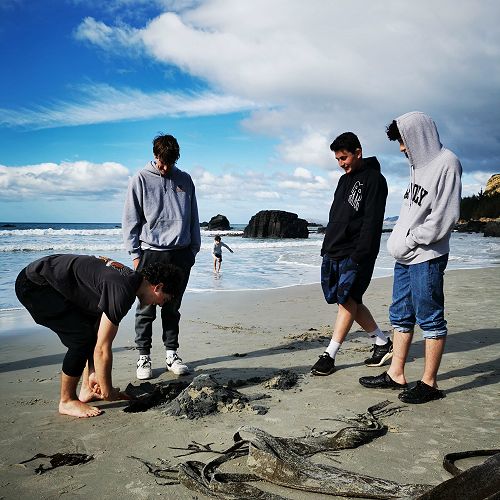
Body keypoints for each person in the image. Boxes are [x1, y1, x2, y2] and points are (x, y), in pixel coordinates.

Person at [359, 111, 462, 404]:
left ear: (418, 135)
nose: (402, 148)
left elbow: (446, 217)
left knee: (430, 319)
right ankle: (396, 374)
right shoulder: (416, 166)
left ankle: (429, 383)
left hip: (427, 257)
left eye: (403, 141)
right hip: (405, 258)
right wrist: (401, 243)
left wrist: (411, 240)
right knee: (400, 316)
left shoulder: (447, 163)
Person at [15, 254, 184, 418]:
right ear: (158, 287)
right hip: (35, 285)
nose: (162, 304)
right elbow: (102, 349)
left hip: (49, 279)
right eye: (165, 299)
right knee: (80, 339)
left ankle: (87, 388)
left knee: (89, 330)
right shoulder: (122, 291)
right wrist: (108, 391)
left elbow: (97, 331)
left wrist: (94, 374)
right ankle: (66, 400)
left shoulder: (130, 280)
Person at [122, 133, 201, 380]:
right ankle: (143, 357)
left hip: (180, 255)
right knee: (145, 308)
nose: (165, 168)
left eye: (170, 163)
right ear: (155, 155)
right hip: (151, 254)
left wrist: (193, 250)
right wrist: (136, 255)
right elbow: (130, 220)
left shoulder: (185, 180)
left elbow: (193, 218)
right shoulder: (140, 179)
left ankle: (171, 354)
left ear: (176, 158)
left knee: (172, 308)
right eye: (162, 162)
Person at [311, 132, 389, 376]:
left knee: (347, 299)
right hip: (334, 250)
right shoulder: (343, 180)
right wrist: (326, 247)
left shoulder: (375, 180)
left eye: (344, 157)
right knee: (349, 300)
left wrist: (359, 255)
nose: (341, 163)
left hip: (356, 253)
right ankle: (382, 342)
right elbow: (337, 217)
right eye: (337, 159)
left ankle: (330, 354)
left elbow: (372, 221)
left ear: (358, 152)